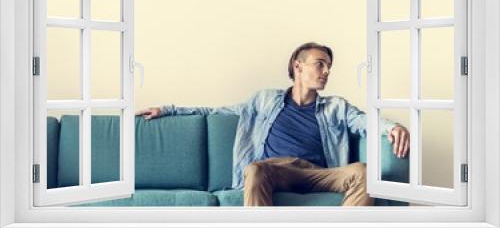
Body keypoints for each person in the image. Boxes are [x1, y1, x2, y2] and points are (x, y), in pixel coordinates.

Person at [135, 42, 410, 206]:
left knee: (363, 171)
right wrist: (168, 109)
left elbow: (364, 122)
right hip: (275, 171)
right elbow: (215, 111)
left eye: (328, 67)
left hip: (316, 174)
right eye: (320, 64)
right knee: (254, 169)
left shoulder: (336, 106)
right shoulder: (264, 100)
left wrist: (392, 128)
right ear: (298, 66)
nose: (326, 71)